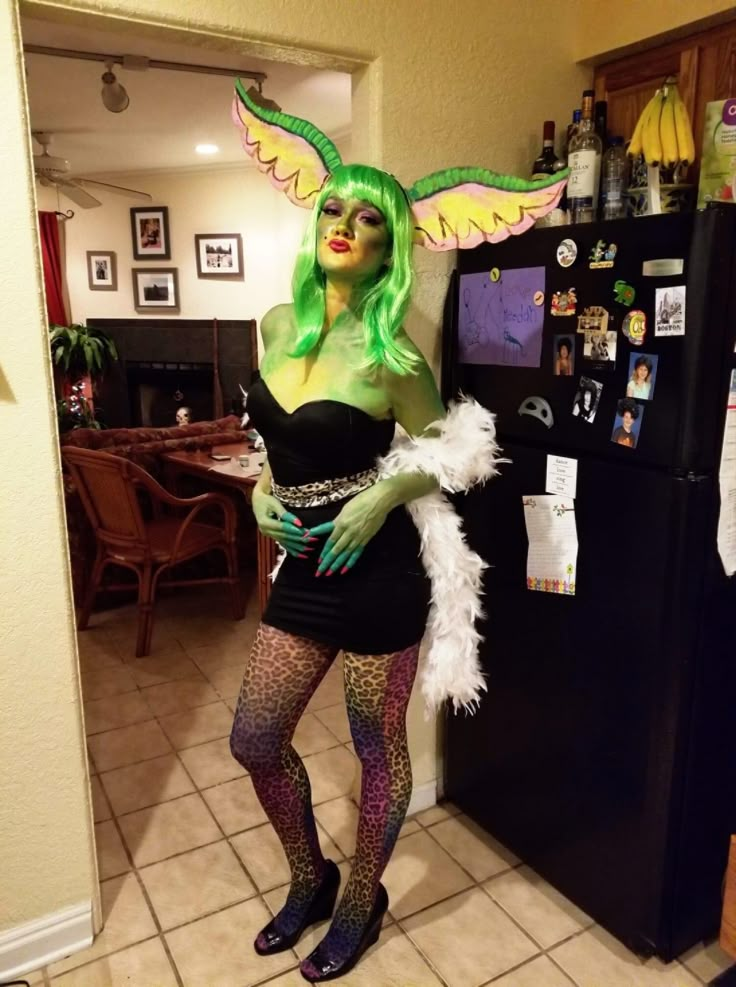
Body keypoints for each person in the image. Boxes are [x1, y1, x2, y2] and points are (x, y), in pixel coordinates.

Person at [229, 81, 566, 983]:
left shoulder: (396, 355)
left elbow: (456, 450)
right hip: (302, 571)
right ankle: (310, 874)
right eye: (333, 207)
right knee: (255, 739)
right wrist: (264, 489)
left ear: (390, 247)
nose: (343, 223)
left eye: (368, 219)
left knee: (376, 747)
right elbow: (274, 434)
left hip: (378, 576)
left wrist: (380, 498)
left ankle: (358, 899)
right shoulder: (273, 325)